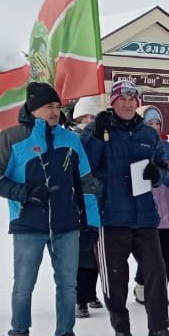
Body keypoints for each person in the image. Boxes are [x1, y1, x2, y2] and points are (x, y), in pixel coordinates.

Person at [0, 82, 100, 336]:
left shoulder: (71, 140)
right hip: (28, 225)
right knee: (24, 286)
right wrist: (25, 193)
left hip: (66, 224)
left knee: (68, 287)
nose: (55, 112)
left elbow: (86, 183)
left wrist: (92, 222)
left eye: (58, 107)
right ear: (33, 108)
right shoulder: (11, 138)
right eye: (49, 106)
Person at [82, 78, 169, 336]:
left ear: (137, 102)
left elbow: (163, 170)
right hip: (111, 216)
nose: (127, 104)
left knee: (155, 272)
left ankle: (159, 328)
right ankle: (122, 328)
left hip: (144, 217)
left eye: (132, 99)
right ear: (113, 101)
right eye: (122, 99)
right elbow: (85, 166)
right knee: (115, 277)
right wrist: (94, 134)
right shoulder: (97, 130)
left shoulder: (147, 134)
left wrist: (157, 174)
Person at [141, 105, 169, 304]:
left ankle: (162, 289)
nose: (155, 127)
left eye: (158, 123)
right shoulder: (138, 144)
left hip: (167, 202)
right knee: (148, 253)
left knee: (166, 251)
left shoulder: (168, 147)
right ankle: (144, 285)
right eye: (150, 123)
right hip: (148, 205)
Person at [71, 107, 103, 318]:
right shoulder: (73, 140)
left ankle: (91, 293)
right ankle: (80, 298)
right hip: (81, 205)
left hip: (102, 203)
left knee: (97, 256)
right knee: (82, 256)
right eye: (85, 117)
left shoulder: (102, 137)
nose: (89, 121)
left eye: (93, 117)